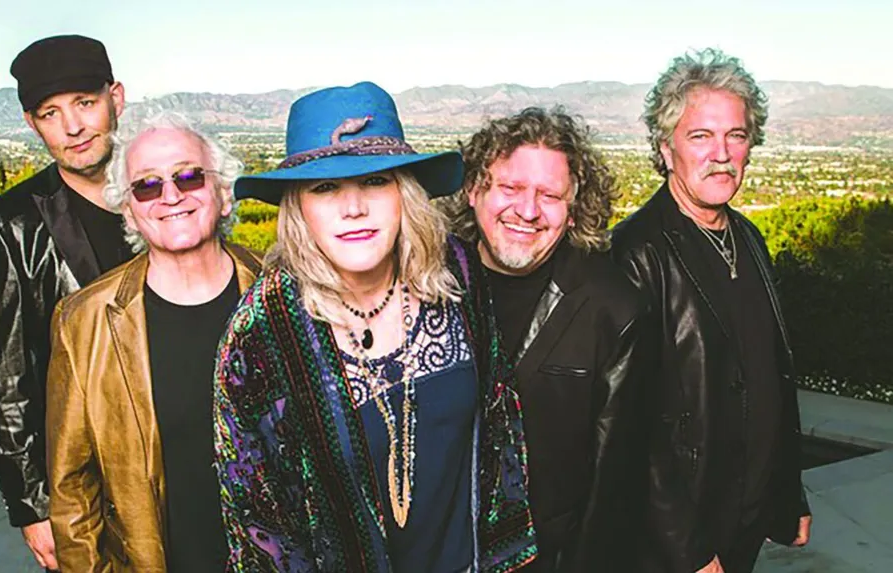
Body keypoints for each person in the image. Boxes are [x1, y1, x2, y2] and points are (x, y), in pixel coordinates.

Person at [213, 82, 537, 572]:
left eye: (375, 180)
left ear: (405, 191)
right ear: (298, 207)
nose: (353, 207)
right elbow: (260, 531)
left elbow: (500, 428)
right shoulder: (259, 338)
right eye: (325, 188)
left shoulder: (459, 276)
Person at [611, 48, 812, 573]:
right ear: (665, 147)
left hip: (745, 519)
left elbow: (772, 374)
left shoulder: (749, 238)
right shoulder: (635, 254)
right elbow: (628, 429)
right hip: (679, 540)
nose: (721, 154)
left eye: (736, 136)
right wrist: (688, 549)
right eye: (700, 136)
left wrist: (790, 495)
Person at [45, 111, 262, 571]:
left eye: (189, 177)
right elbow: (71, 491)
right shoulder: (84, 321)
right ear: (129, 211)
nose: (170, 196)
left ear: (223, 194)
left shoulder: (285, 294)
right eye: (147, 184)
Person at [442, 107, 649, 572]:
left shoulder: (612, 309)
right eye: (511, 188)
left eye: (550, 195)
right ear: (474, 190)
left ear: (573, 210)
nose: (528, 211)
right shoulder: (424, 286)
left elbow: (615, 477)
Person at [0, 34, 133, 570]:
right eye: (50, 112)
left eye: (85, 103)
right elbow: (5, 375)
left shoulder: (167, 193)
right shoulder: (9, 225)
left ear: (117, 99)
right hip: (87, 488)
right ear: (31, 123)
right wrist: (32, 508)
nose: (73, 126)